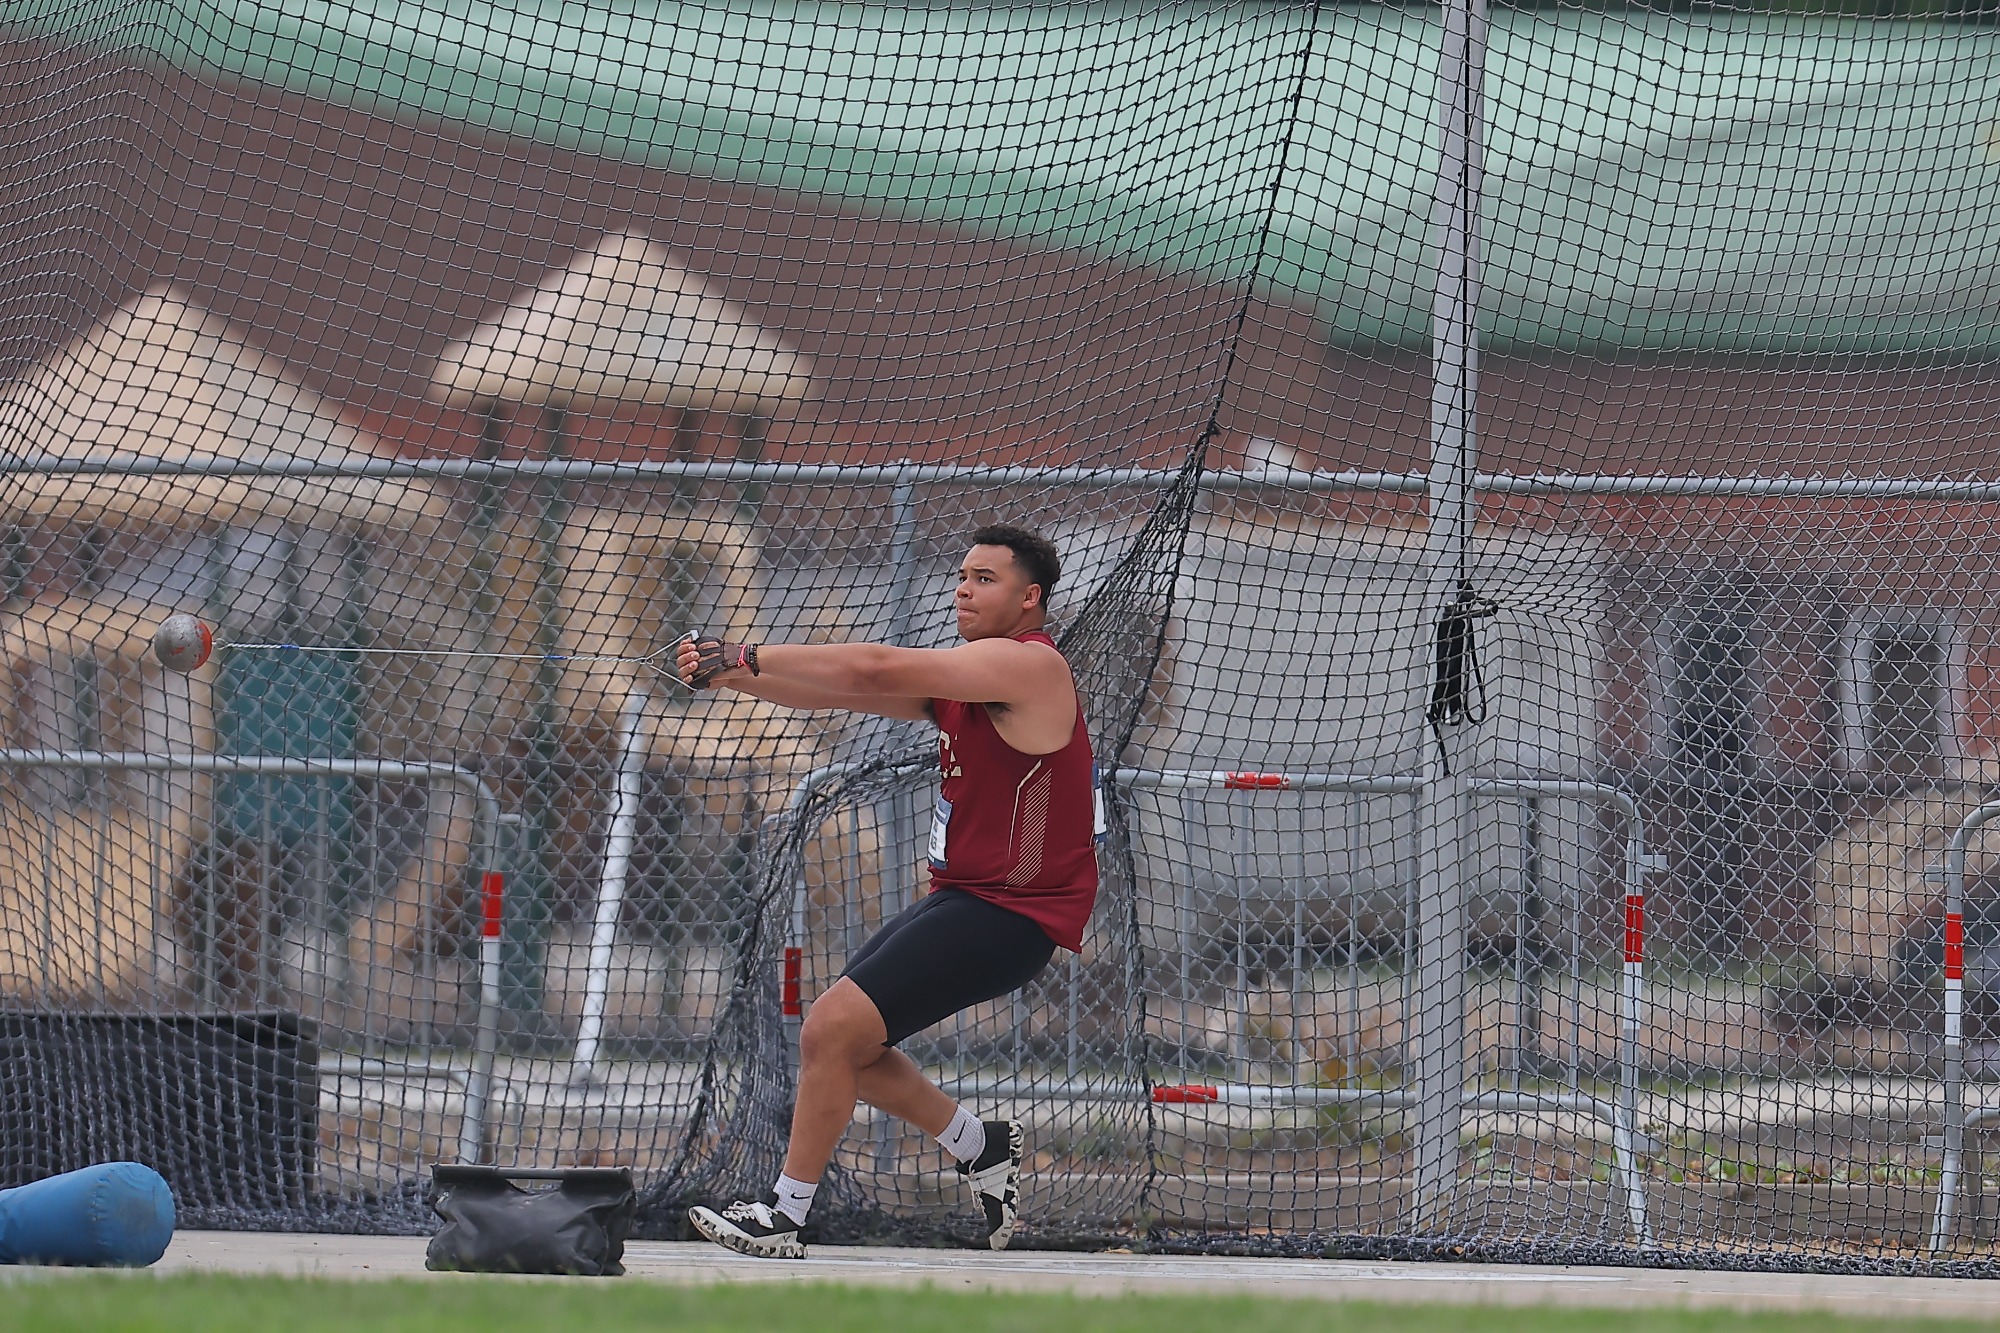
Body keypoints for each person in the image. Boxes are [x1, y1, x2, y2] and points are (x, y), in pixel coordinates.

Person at [678, 523, 1099, 1259]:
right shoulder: (970, 683)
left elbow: (872, 666)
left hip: (1011, 916)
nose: (964, 588)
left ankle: (785, 1215)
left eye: (985, 579)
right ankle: (978, 1142)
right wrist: (732, 677)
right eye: (962, 575)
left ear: (1030, 597)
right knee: (840, 1043)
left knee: (832, 1031)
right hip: (965, 900)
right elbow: (840, 692)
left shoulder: (1032, 667)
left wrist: (746, 651)